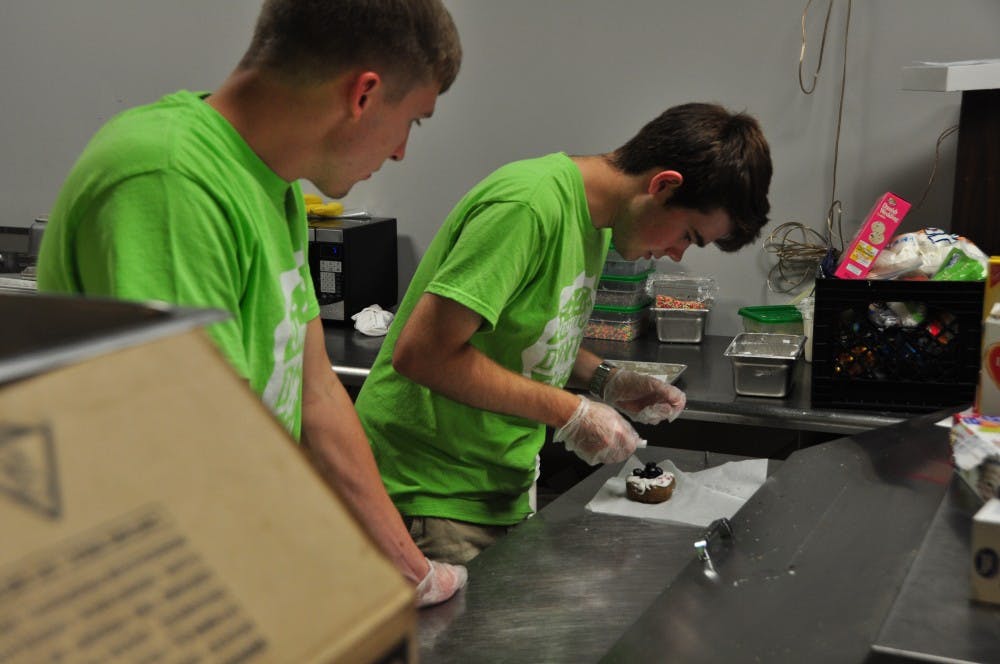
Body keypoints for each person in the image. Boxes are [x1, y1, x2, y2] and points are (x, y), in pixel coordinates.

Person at [36, 0, 466, 607]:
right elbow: (194, 453)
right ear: (363, 95)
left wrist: (407, 566)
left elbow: (316, 393)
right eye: (413, 122)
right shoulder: (169, 179)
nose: (400, 152)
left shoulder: (274, 184)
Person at [354, 102, 773, 565]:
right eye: (689, 235)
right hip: (428, 495)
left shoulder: (597, 226)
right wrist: (570, 411)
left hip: (493, 489)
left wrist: (607, 380)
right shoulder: (529, 206)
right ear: (663, 185)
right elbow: (422, 354)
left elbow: (522, 338)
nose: (676, 254)